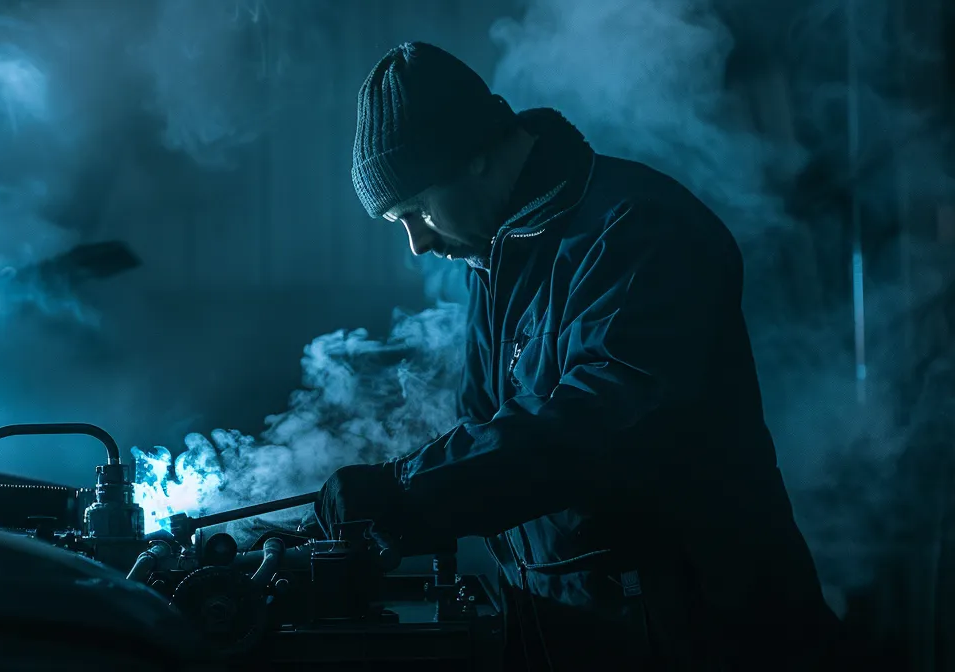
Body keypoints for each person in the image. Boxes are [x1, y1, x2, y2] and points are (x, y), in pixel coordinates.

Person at [315, 41, 844, 670]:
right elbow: (488, 429)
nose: (418, 243)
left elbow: (600, 422)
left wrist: (410, 490)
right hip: (590, 628)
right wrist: (396, 493)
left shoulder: (638, 229)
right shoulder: (498, 257)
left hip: (704, 630)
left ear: (475, 157)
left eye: (416, 209)